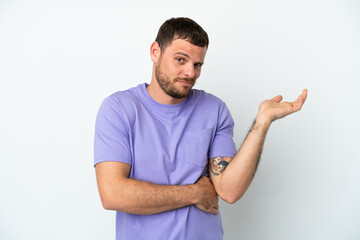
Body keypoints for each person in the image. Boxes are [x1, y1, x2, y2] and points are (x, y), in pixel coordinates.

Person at [94, 17, 307, 240]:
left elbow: (229, 190)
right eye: (180, 60)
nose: (190, 73)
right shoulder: (119, 109)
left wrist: (261, 123)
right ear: (155, 52)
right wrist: (194, 193)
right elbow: (112, 194)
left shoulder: (214, 110)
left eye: (197, 65)